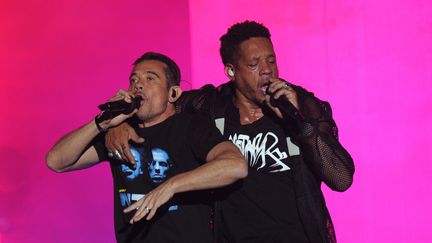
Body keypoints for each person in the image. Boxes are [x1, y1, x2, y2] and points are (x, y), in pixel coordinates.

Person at [106, 21, 355, 243]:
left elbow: (341, 179)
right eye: (254, 64)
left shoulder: (301, 104)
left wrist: (299, 122)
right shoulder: (210, 106)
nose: (267, 70)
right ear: (231, 71)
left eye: (271, 60)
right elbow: (157, 107)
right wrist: (119, 124)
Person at [45, 52, 248, 243]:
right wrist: (100, 123)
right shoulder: (118, 134)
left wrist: (171, 186)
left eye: (150, 78)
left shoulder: (190, 127)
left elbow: (235, 165)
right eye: (134, 80)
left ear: (173, 93)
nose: (138, 85)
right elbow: (56, 161)